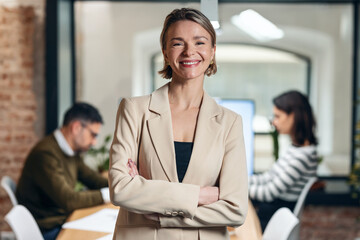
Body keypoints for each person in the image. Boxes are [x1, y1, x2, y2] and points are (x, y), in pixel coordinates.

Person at [108, 8, 248, 240]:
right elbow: (121, 190)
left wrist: (161, 210)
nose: (189, 51)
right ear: (165, 51)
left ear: (213, 52)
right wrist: (201, 196)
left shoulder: (230, 123)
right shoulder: (134, 110)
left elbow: (235, 209)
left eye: (199, 42)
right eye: (177, 43)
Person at [16, 102, 110, 240]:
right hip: (46, 228)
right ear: (77, 128)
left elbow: (93, 179)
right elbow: (68, 200)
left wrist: (121, 185)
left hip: (61, 219)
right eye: (93, 135)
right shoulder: (46, 154)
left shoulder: (71, 152)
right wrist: (111, 194)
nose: (94, 142)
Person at [248, 90, 318, 231]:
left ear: (294, 116)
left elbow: (269, 192)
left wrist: (235, 188)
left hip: (273, 222)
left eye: (278, 116)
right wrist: (238, 180)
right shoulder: (296, 149)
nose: (274, 122)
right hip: (271, 215)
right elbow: (268, 177)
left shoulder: (303, 156)